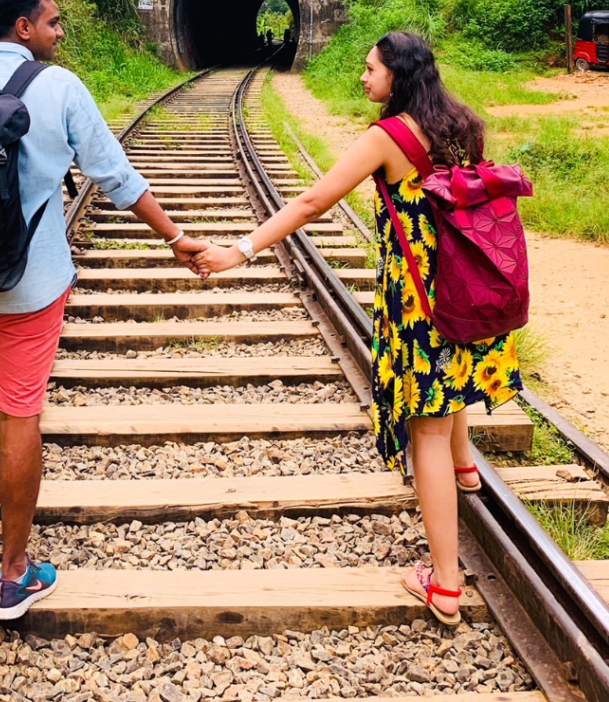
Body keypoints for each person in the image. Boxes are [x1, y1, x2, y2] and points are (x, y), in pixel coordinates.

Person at [0, 0, 207, 621]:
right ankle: (14, 577)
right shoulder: (60, 88)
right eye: (53, 22)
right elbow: (115, 177)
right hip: (28, 285)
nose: (59, 32)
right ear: (23, 28)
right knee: (18, 413)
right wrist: (176, 237)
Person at [195, 31, 522, 626]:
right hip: (465, 284)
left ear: (397, 75)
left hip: (419, 299)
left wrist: (239, 249)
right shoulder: (464, 124)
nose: (363, 77)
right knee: (453, 380)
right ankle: (465, 463)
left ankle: (445, 583)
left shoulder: (386, 137)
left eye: (370, 68)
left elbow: (312, 202)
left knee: (424, 425)